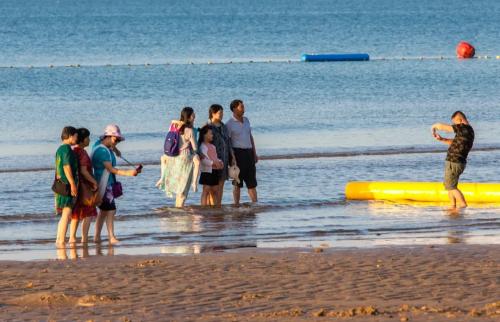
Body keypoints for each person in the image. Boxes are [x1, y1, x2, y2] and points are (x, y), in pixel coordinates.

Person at [92, 124, 140, 244]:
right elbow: (111, 169)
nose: (117, 142)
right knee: (111, 210)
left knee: (103, 211)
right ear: (107, 136)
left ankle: (97, 237)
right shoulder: (103, 151)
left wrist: (115, 149)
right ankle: (111, 237)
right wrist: (130, 173)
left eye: (118, 140)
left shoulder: (99, 145)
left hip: (105, 182)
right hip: (104, 184)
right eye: (115, 139)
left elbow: (105, 145)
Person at [431, 111, 474, 210]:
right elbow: (455, 143)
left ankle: (463, 205)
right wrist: (442, 139)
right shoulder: (467, 131)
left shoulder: (464, 128)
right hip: (456, 162)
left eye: (455, 123)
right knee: (449, 185)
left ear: (460, 120)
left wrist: (435, 126)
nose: (454, 125)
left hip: (454, 162)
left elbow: (444, 127)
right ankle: (452, 205)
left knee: (451, 186)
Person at [157, 107, 199, 207]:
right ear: (188, 117)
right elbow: (195, 147)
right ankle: (179, 213)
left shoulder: (173, 126)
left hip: (174, 158)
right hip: (185, 158)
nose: (195, 117)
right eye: (193, 115)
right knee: (183, 190)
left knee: (179, 190)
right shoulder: (189, 130)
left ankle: (177, 210)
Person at [226, 99, 258, 205]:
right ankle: (236, 205)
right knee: (237, 183)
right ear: (234, 109)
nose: (244, 108)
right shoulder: (229, 124)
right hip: (237, 154)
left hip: (248, 153)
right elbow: (228, 142)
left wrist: (254, 152)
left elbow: (250, 136)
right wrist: (232, 157)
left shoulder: (246, 120)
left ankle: (255, 204)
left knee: (252, 183)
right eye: (241, 107)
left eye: (243, 106)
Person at [71, 128, 98, 244]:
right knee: (88, 212)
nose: (89, 140)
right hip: (85, 186)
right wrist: (94, 182)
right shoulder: (82, 152)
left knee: (76, 213)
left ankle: (72, 237)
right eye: (87, 138)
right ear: (82, 140)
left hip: (77, 185)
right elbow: (84, 171)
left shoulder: (73, 150)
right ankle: (84, 238)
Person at [207, 104, 236, 206]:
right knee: (211, 186)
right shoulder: (208, 126)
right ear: (213, 113)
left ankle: (218, 205)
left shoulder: (223, 126)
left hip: (224, 159)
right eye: (220, 113)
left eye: (222, 113)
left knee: (221, 184)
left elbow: (228, 142)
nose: (222, 115)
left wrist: (232, 157)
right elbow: (203, 145)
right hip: (212, 161)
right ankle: (212, 207)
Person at [54, 126, 79, 247]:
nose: (76, 138)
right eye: (75, 136)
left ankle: (59, 239)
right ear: (70, 136)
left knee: (64, 214)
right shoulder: (66, 149)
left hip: (61, 185)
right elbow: (66, 167)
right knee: (67, 214)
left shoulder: (60, 149)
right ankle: (61, 241)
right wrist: (73, 184)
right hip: (66, 185)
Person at [198, 125, 224, 206]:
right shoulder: (202, 146)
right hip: (207, 171)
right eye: (211, 134)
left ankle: (214, 207)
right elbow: (203, 160)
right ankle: (204, 207)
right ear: (204, 135)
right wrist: (213, 163)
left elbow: (215, 158)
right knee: (206, 189)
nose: (212, 135)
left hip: (215, 171)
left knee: (215, 190)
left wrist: (220, 162)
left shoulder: (213, 146)